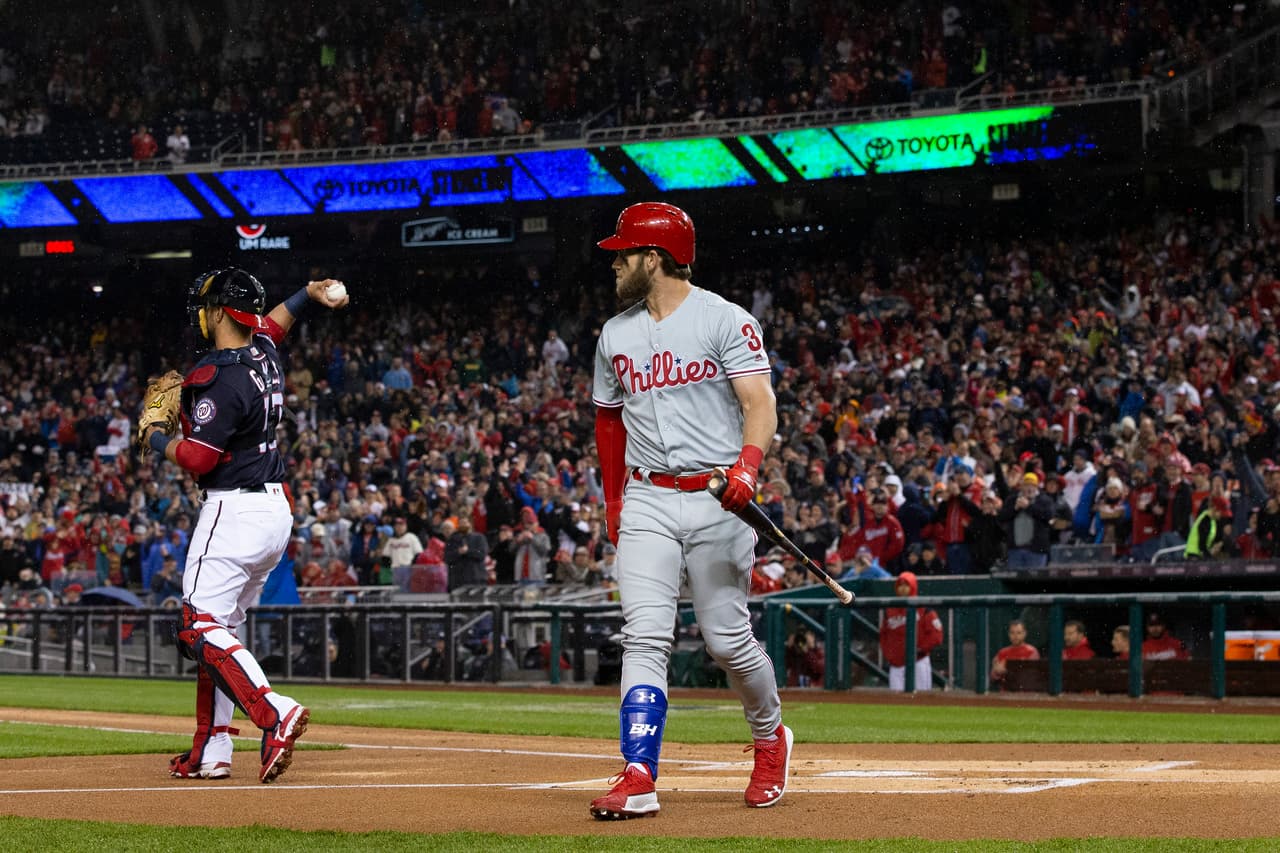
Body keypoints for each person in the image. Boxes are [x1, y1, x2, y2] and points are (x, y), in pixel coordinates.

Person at [589, 202, 791, 819]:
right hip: (648, 495)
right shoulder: (614, 333)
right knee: (643, 636)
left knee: (727, 640)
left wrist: (748, 468)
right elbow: (607, 423)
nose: (615, 262)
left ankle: (769, 737)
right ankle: (638, 771)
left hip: (717, 495)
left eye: (625, 253)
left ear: (654, 258)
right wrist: (615, 502)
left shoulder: (724, 319)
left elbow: (761, 403)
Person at [142, 267, 347, 782]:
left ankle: (273, 712)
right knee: (222, 630)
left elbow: (198, 457)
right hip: (273, 510)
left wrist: (153, 440)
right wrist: (306, 294)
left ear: (217, 313)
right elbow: (273, 324)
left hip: (232, 509)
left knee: (197, 626)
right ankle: (211, 751)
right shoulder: (261, 353)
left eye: (206, 308)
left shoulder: (217, 376)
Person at [878, 570, 943, 691]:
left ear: (913, 586)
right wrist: (890, 654)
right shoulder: (891, 609)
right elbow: (884, 635)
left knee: (920, 700)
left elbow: (937, 635)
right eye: (900, 585)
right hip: (896, 664)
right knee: (896, 703)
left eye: (906, 585)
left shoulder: (924, 608)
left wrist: (920, 649)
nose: (903, 588)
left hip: (918, 662)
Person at [991, 618, 1040, 688]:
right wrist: (996, 671)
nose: (1015, 636)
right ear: (1008, 634)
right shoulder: (1002, 652)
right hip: (1005, 693)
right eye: (1012, 632)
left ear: (1024, 633)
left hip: (1025, 694)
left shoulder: (1032, 651)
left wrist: (1007, 671)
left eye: (1019, 632)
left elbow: (1032, 676)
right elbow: (993, 677)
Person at [444, 514, 488, 590]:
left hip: (476, 580)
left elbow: (482, 554)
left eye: (465, 522)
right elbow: (447, 557)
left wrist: (468, 551)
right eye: (460, 523)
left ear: (470, 524)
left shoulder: (479, 537)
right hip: (457, 581)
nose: (463, 525)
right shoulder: (452, 540)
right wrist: (458, 552)